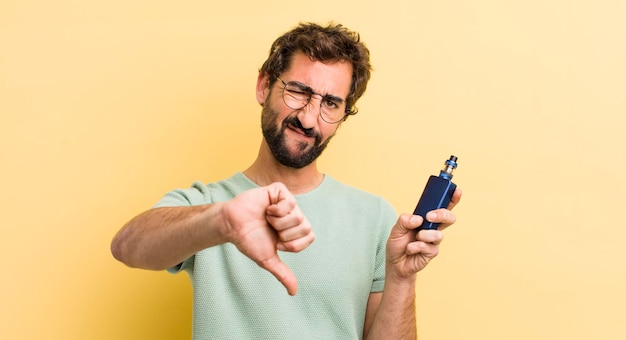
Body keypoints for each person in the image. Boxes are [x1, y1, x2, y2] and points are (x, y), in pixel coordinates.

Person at [111, 22, 461, 339]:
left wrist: (402, 278)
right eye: (298, 91)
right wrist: (222, 221)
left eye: (331, 103)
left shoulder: (376, 218)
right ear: (264, 86)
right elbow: (126, 246)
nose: (309, 118)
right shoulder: (210, 204)